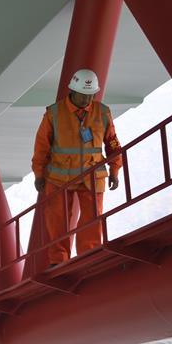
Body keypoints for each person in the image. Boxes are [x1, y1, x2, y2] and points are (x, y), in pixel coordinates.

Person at [32, 69, 123, 265]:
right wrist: (39, 174)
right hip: (59, 177)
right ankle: (58, 260)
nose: (87, 99)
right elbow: (41, 147)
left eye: (91, 94)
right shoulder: (54, 113)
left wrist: (115, 169)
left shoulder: (103, 112)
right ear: (72, 91)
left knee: (93, 219)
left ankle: (89, 256)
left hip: (93, 175)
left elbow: (112, 142)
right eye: (83, 94)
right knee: (57, 220)